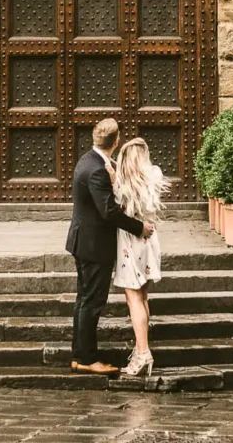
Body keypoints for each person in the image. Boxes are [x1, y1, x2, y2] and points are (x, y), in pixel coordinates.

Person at [65, 118, 153, 375]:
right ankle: (87, 359)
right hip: (94, 246)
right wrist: (139, 227)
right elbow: (109, 212)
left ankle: (80, 355)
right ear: (116, 141)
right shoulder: (97, 169)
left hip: (85, 242)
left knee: (84, 300)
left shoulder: (87, 160)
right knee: (92, 301)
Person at [110, 135, 169, 378]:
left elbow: (116, 209)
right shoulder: (153, 176)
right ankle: (139, 347)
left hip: (130, 243)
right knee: (143, 295)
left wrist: (113, 176)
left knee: (133, 297)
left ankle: (144, 352)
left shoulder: (122, 185)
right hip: (149, 240)